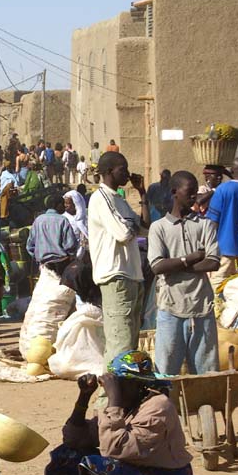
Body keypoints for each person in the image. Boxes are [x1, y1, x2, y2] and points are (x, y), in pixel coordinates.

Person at [45, 351, 193, 475]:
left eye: (121, 385)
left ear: (140, 385)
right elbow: (74, 440)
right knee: (66, 453)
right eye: (116, 385)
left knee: (99, 467)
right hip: (137, 472)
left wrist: (114, 401)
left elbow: (115, 449)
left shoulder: (158, 407)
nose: (115, 390)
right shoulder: (126, 406)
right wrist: (84, 397)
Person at [147, 172, 220, 376]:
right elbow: (157, 266)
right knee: (165, 374)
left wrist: (178, 265)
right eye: (189, 193)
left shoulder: (204, 225)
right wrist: (191, 258)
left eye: (195, 193)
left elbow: (213, 262)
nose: (193, 198)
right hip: (171, 309)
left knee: (207, 375)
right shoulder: (159, 228)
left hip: (201, 307)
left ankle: (205, 409)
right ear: (174, 192)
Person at [88, 151, 149, 363]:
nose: (128, 173)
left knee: (130, 343)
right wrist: (131, 226)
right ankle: (109, 395)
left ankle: (125, 394)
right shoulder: (100, 198)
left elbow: (144, 228)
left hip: (132, 275)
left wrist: (142, 194)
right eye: (122, 169)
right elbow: (123, 234)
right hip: (115, 276)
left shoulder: (119, 200)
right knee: (119, 343)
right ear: (108, 172)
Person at [20, 193, 80, 357]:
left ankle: (39, 344)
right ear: (59, 205)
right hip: (61, 266)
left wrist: (40, 255)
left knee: (43, 301)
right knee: (62, 305)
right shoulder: (63, 221)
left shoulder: (38, 221)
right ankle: (59, 342)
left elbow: (30, 246)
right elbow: (70, 246)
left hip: (45, 267)